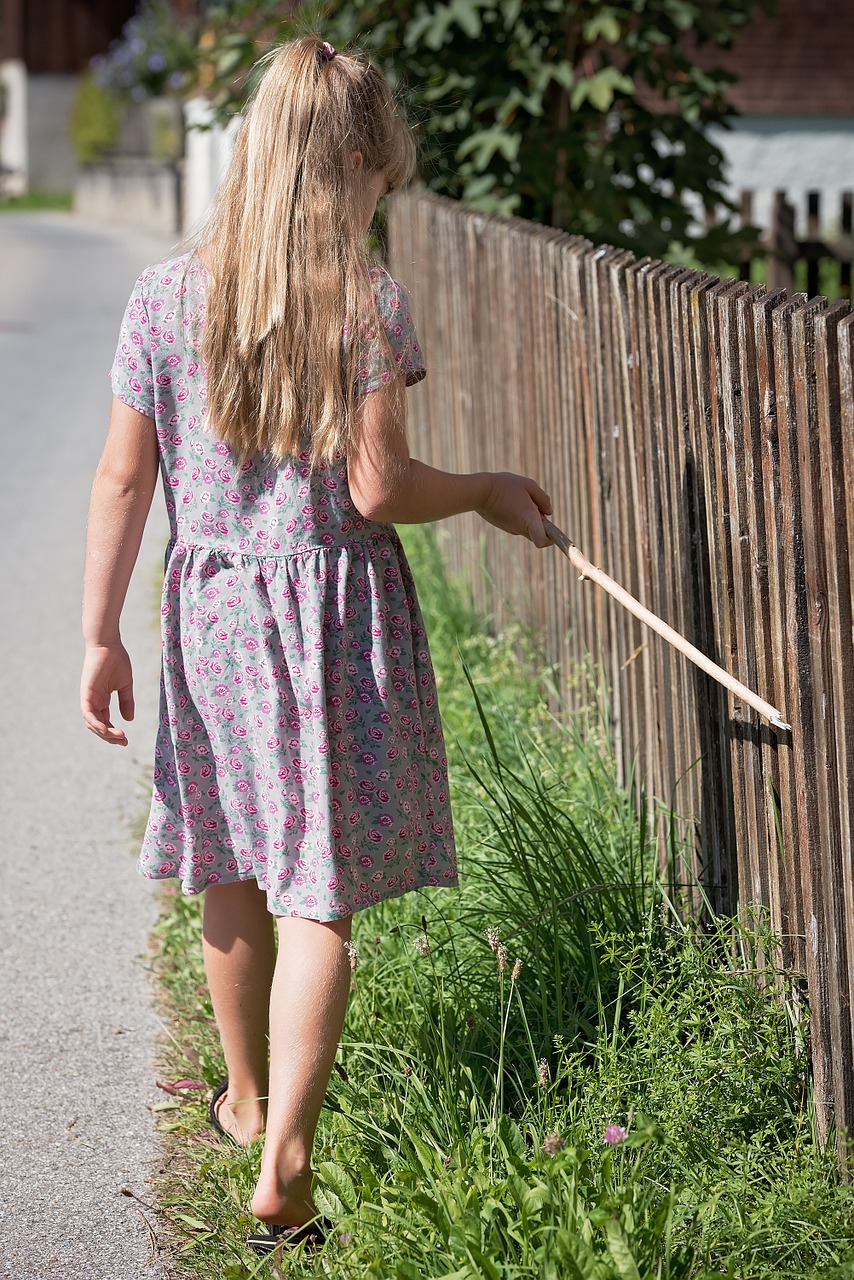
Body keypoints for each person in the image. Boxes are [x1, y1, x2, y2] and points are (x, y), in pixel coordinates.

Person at [80, 34, 552, 1255]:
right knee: (319, 892)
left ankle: (242, 1100)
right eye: (379, 180)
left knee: (229, 861)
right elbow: (380, 486)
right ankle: (284, 1150)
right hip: (329, 621)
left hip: (210, 613)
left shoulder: (165, 298)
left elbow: (124, 479)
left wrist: (98, 632)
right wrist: (490, 486)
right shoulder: (366, 300)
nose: (381, 200)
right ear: (348, 165)